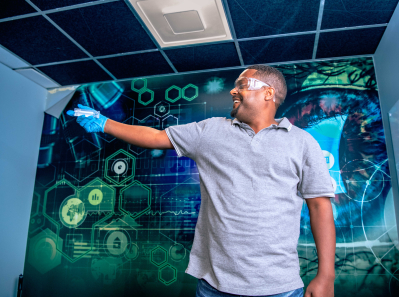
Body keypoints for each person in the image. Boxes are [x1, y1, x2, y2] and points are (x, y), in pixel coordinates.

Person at [67, 64, 336, 297]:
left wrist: (326, 275)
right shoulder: (211, 131)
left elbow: (320, 207)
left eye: (242, 85)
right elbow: (155, 137)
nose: (233, 90)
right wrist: (103, 123)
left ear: (268, 93)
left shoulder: (302, 142)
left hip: (280, 287)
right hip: (214, 285)